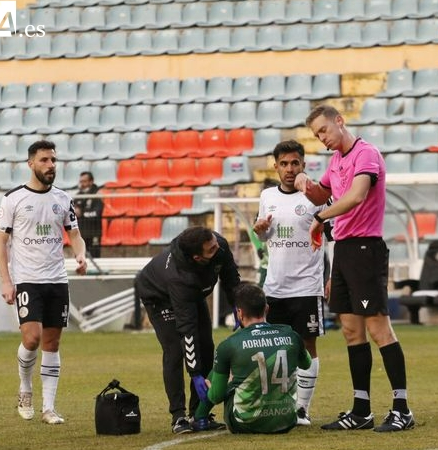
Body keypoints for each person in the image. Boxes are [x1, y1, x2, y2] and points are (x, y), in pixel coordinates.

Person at [293, 104, 415, 432]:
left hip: (365, 249)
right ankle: (361, 410)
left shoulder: (366, 154)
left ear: (339, 121)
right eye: (317, 135)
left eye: (324, 130)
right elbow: (322, 195)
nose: (322, 138)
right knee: (350, 331)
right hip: (344, 250)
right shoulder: (336, 161)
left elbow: (357, 196)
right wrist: (305, 182)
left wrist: (320, 218)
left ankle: (402, 408)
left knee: (378, 329)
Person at [0, 140, 87, 425]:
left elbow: (75, 234)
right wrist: (6, 281)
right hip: (27, 280)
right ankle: (25, 388)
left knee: (52, 342)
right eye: (45, 160)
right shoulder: (13, 199)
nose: (50, 165)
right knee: (31, 338)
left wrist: (80, 254)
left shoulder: (63, 199)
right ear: (31, 163)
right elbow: (0, 243)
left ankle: (49, 408)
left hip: (57, 280)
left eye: (53, 160)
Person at [135, 226, 241, 434]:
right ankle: (178, 416)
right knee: (175, 350)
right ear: (197, 257)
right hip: (159, 297)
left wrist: (238, 306)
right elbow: (187, 329)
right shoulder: (179, 276)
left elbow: (231, 278)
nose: (217, 249)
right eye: (211, 249)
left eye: (215, 243)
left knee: (207, 346)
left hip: (193, 294)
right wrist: (195, 373)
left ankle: (198, 413)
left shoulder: (218, 244)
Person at [253, 140, 326, 426]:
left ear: (303, 165)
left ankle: (302, 409)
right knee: (274, 348)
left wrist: (331, 277)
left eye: (295, 163)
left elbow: (331, 237)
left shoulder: (316, 197)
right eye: (284, 163)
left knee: (307, 347)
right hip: (274, 287)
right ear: (276, 166)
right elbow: (264, 235)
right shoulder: (267, 196)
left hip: (307, 286)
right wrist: (259, 230)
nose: (289, 169)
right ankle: (279, 405)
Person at [192, 282, 312, 434]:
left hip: (245, 423)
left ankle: (200, 418)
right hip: (286, 420)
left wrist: (212, 387)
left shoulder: (229, 344)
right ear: (266, 309)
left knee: (217, 374)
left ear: (239, 313)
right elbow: (306, 364)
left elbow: (216, 396)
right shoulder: (291, 335)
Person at [73, 171, 103, 258]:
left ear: (91, 181)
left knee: (94, 257)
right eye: (81, 181)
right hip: (81, 233)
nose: (82, 184)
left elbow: (97, 213)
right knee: (79, 257)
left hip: (93, 231)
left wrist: (82, 213)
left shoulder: (97, 194)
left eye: (84, 181)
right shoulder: (78, 195)